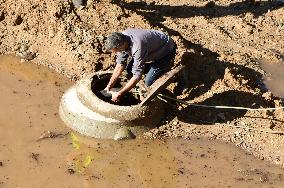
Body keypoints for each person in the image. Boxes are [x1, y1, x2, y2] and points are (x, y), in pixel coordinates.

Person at [104, 28, 177, 102]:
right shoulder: (122, 38)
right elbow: (120, 64)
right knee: (129, 70)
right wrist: (109, 86)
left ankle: (166, 70)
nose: (115, 53)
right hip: (152, 47)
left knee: (148, 82)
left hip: (166, 50)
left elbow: (137, 76)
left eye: (116, 50)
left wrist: (120, 93)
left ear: (121, 45)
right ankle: (157, 69)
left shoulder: (137, 47)